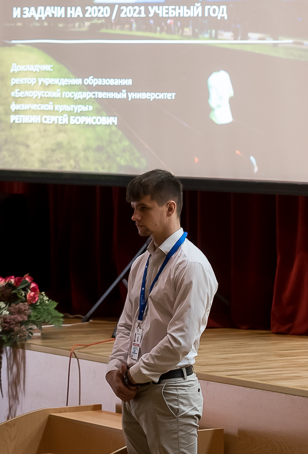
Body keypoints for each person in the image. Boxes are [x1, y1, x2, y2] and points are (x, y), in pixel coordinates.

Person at [106, 169, 218, 454]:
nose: (134, 216)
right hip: (135, 390)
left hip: (169, 392)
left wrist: (133, 375)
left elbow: (179, 342)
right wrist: (114, 369)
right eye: (133, 208)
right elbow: (127, 324)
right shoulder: (141, 262)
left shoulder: (191, 265)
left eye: (143, 208)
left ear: (170, 208)